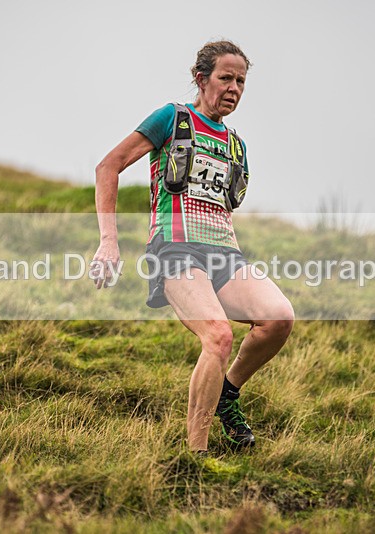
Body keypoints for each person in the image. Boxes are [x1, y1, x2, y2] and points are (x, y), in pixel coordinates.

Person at [92, 40, 294, 453]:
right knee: (218, 336)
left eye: (241, 81)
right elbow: (107, 166)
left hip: (224, 253)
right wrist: (109, 241)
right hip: (175, 251)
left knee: (279, 318)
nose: (234, 88)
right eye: (226, 78)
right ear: (201, 79)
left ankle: (227, 392)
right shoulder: (172, 118)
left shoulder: (237, 144)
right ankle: (196, 456)